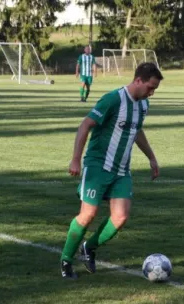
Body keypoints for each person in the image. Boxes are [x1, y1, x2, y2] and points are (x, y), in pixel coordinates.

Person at [60, 62, 163, 279]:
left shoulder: (143, 106)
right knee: (88, 215)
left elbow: (136, 131)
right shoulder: (113, 100)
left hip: (121, 170)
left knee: (121, 217)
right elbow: (85, 125)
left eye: (154, 89)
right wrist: (76, 160)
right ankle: (66, 261)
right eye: (150, 87)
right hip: (98, 166)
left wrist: (152, 157)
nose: (151, 93)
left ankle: (88, 247)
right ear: (138, 81)